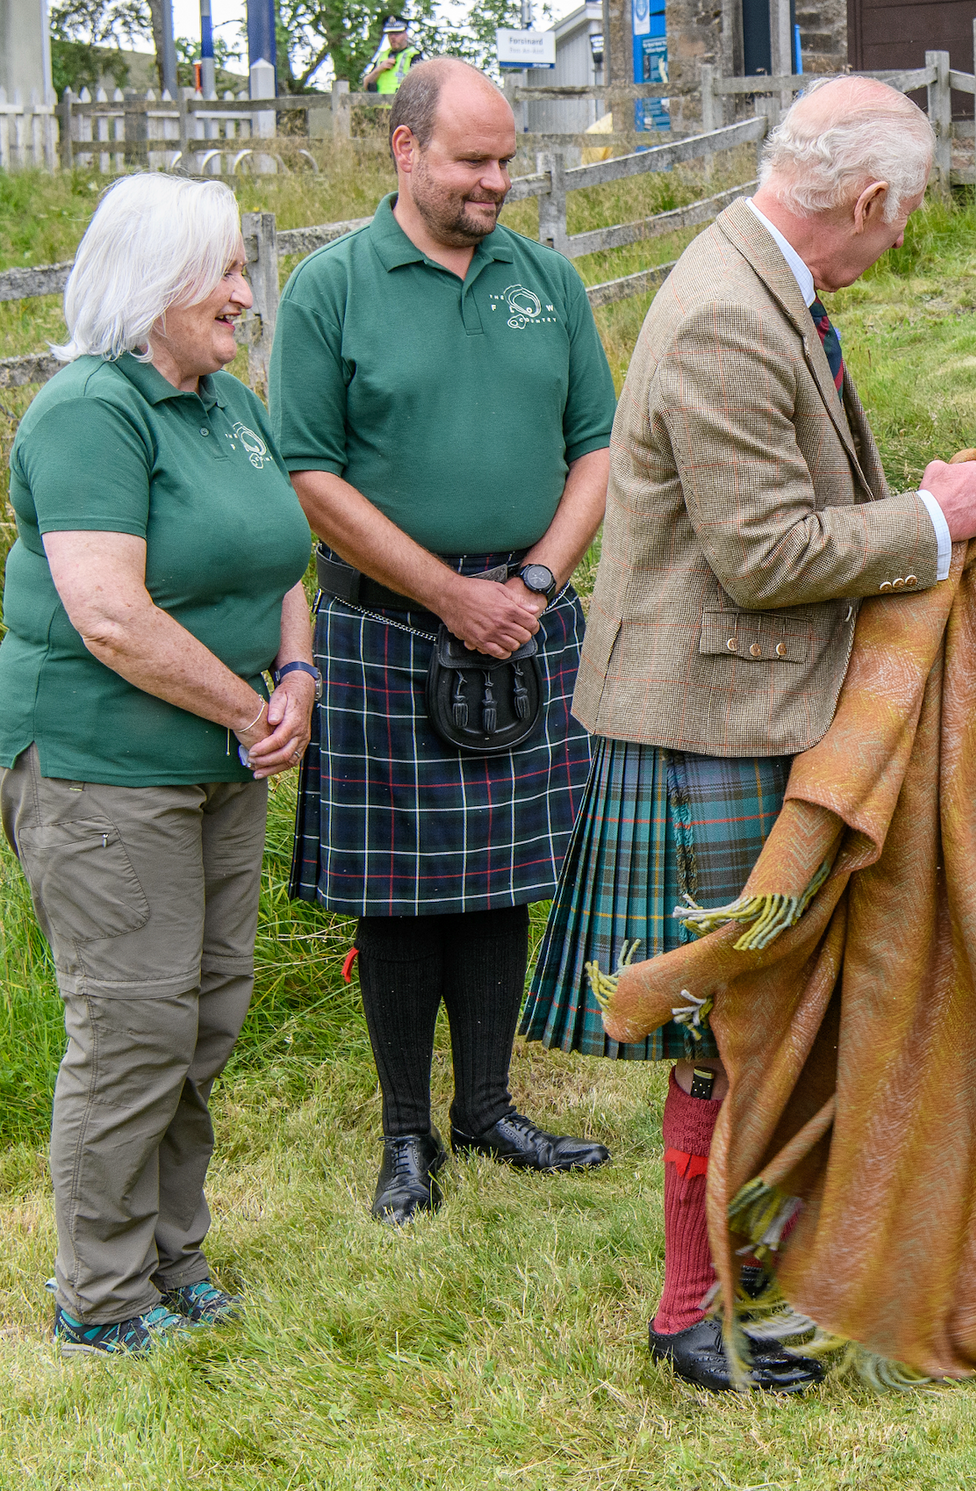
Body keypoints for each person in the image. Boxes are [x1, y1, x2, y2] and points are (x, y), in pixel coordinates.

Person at [520, 76, 976, 1392]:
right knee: (726, 1028)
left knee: (759, 1021)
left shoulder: (765, 275)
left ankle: (747, 1261)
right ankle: (690, 1308)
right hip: (709, 728)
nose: (902, 238)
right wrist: (928, 519)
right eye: (901, 216)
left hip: (733, 709)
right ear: (862, 198)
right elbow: (765, 551)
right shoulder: (731, 312)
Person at [269, 58, 616, 1226]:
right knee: (401, 891)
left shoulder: (547, 281)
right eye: (473, 159)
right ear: (404, 151)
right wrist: (445, 595)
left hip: (525, 613)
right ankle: (407, 1136)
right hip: (386, 625)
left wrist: (530, 580)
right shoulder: (331, 289)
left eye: (507, 159)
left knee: (502, 879)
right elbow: (307, 473)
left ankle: (488, 1106)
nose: (497, 181)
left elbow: (596, 450)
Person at [0, 174, 316, 1357]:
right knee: (132, 1025)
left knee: (204, 1016)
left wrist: (296, 682)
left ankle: (170, 1253)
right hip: (100, 765)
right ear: (154, 289)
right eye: (223, 273)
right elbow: (109, 616)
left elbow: (279, 555)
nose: (245, 293)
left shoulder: (225, 403)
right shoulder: (88, 413)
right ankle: (100, 1292)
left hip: (222, 754)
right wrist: (250, 708)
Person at [363, 16, 423, 94]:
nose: (393, 37)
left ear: (405, 34)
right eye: (390, 33)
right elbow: (366, 84)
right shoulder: (382, 56)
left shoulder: (414, 55)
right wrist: (379, 69)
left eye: (397, 33)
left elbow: (421, 85)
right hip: (380, 104)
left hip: (401, 105)